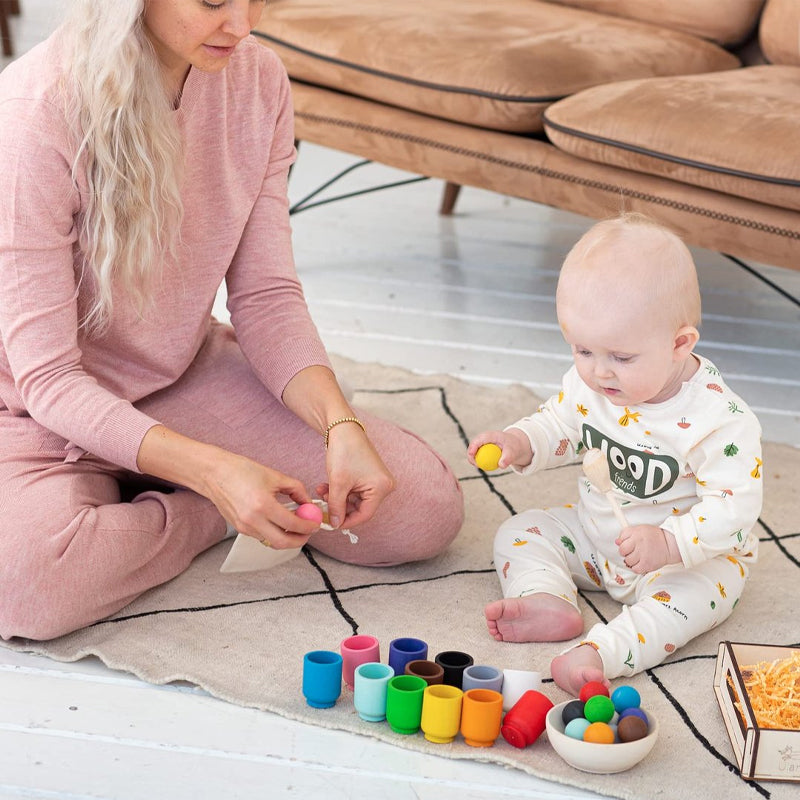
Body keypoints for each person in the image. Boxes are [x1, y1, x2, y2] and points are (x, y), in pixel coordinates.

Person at [0, 0, 463, 641]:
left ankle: (156, 484)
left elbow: (266, 295)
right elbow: (49, 379)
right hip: (28, 407)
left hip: (178, 378)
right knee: (27, 587)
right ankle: (201, 510)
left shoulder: (258, 81)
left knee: (421, 513)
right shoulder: (32, 120)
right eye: (214, 1)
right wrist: (216, 480)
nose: (243, 25)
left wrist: (340, 425)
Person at [467, 214, 762, 695]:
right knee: (521, 531)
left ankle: (601, 653)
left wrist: (672, 543)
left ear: (678, 344)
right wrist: (522, 442)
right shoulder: (593, 385)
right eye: (582, 350)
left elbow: (735, 509)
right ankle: (545, 598)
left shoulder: (719, 419)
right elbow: (560, 424)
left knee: (696, 599)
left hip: (683, 562)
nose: (599, 373)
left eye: (621, 358)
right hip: (597, 537)